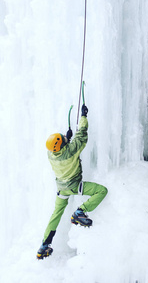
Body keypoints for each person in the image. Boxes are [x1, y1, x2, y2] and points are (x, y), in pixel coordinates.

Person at [36, 104, 108, 260]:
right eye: (62, 139)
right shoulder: (70, 152)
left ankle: (44, 245)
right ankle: (80, 211)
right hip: (75, 186)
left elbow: (62, 147)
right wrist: (83, 116)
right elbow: (82, 136)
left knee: (56, 214)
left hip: (61, 189)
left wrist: (66, 138)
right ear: (62, 145)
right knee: (102, 191)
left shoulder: (51, 154)